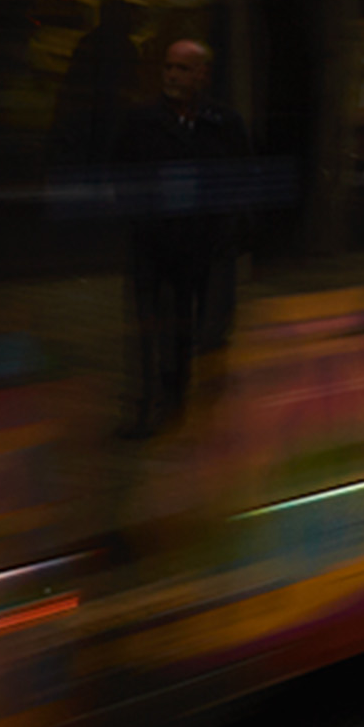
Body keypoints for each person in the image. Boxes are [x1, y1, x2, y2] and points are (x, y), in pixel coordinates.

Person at [114, 37, 248, 437]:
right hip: (155, 247)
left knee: (199, 332)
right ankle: (150, 409)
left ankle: (190, 408)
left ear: (202, 74)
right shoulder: (141, 121)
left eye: (183, 68)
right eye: (169, 67)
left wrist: (228, 233)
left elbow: (240, 179)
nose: (173, 75)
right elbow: (123, 178)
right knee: (154, 332)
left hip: (204, 247)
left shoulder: (222, 123)